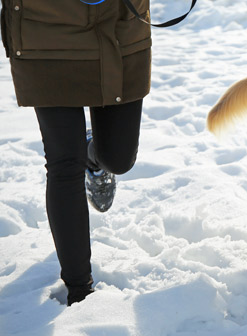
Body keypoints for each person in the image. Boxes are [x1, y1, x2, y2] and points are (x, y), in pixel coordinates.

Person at [1, 0, 152, 305]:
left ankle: (93, 157)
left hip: (118, 24)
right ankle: (80, 290)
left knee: (119, 158)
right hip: (45, 29)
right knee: (64, 162)